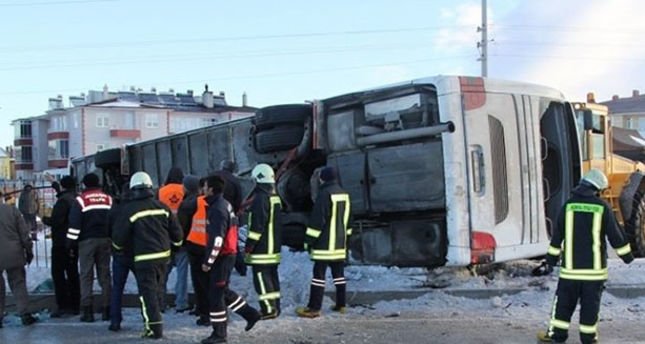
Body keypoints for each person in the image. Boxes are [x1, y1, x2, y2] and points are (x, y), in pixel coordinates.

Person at [536, 168, 634, 344]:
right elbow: (615, 236)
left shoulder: (568, 206)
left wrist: (550, 261)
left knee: (563, 306)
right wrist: (627, 257)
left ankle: (556, 336)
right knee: (590, 308)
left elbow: (557, 237)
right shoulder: (602, 208)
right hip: (594, 273)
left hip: (570, 272)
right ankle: (588, 338)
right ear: (597, 189)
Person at [112, 171, 183, 339]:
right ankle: (156, 321)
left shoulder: (129, 210)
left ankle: (154, 328)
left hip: (144, 259)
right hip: (164, 257)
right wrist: (175, 248)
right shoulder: (162, 207)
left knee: (147, 294)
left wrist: (118, 249)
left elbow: (118, 237)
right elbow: (177, 234)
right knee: (157, 290)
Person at [200, 175, 260, 344]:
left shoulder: (217, 209)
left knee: (216, 295)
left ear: (211, 189)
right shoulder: (222, 204)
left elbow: (217, 239)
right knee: (223, 292)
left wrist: (208, 262)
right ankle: (251, 314)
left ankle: (219, 334)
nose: (202, 190)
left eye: (204, 187)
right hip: (226, 255)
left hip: (223, 257)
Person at [296, 166, 352, 318]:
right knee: (339, 275)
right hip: (340, 244)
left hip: (325, 245)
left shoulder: (324, 194)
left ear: (323, 178)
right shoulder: (344, 194)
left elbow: (317, 221)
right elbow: (349, 221)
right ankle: (341, 305)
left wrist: (309, 241)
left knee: (318, 276)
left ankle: (314, 308)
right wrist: (346, 239)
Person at [67, 173, 113, 322]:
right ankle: (107, 309)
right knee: (104, 275)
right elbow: (115, 219)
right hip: (105, 240)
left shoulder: (80, 200)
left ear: (85, 184)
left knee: (86, 275)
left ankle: (87, 311)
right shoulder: (108, 198)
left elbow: (74, 225)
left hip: (86, 241)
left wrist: (70, 244)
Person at [244, 163, 283, 319]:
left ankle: (268, 309)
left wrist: (249, 246)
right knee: (272, 278)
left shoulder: (260, 199)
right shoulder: (275, 198)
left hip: (262, 249)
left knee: (261, 278)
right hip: (273, 248)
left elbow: (257, 226)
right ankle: (275, 307)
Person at [42, 176, 80, 317]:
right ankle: (76, 304)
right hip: (73, 242)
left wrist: (45, 219)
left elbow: (56, 221)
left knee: (58, 274)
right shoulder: (76, 199)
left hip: (60, 243)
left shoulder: (63, 202)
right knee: (73, 273)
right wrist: (56, 186)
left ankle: (63, 305)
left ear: (64, 187)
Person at [177, 175, 211, 325]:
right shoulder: (205, 201)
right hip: (207, 244)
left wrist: (180, 242)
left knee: (198, 280)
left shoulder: (187, 205)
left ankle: (203, 309)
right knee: (206, 279)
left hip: (193, 246)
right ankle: (204, 307)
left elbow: (181, 227)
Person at [0, 193, 38, 328]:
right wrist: (29, 250)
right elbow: (23, 232)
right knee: (18, 283)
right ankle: (24, 314)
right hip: (13, 252)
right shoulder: (12, 211)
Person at [158, 167, 190, 312]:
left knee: (163, 273)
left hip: (165, 237)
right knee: (182, 274)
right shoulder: (185, 190)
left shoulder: (161, 191)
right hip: (182, 236)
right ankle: (181, 303)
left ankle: (160, 302)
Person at [107, 184, 135, 332]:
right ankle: (148, 318)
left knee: (117, 288)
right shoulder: (137, 208)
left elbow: (108, 230)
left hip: (119, 253)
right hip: (137, 253)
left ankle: (115, 321)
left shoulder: (114, 210)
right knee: (144, 288)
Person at [214, 159, 246, 277]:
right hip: (229, 215)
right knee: (232, 243)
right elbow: (239, 201)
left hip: (213, 215)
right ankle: (241, 268)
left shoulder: (212, 177)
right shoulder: (235, 181)